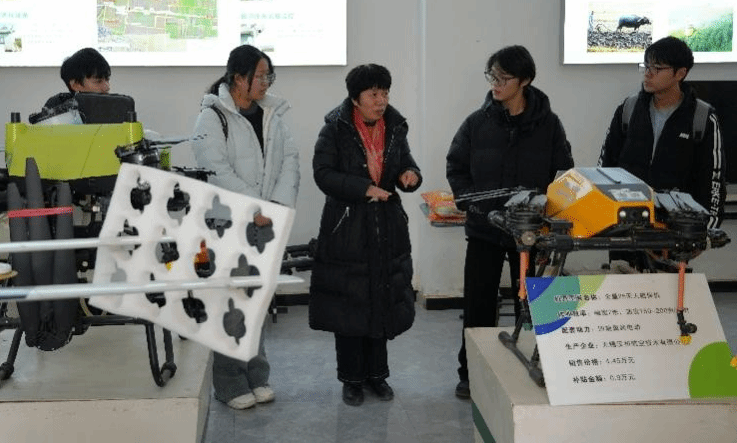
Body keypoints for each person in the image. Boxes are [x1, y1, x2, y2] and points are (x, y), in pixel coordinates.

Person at [446, 45, 573, 400]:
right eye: (492, 76)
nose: (495, 84)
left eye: (503, 78)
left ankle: (540, 367)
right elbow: (456, 166)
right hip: (485, 229)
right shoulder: (477, 123)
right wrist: (473, 204)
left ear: (525, 80)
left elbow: (563, 175)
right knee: (478, 305)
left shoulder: (549, 125)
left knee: (534, 304)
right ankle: (471, 374)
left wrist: (547, 214)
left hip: (532, 234)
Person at [191, 44, 300, 410]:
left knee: (257, 301)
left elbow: (290, 161)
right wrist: (256, 207)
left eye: (269, 75)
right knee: (231, 301)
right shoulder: (212, 117)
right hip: (229, 223)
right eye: (260, 76)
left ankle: (257, 374)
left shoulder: (273, 114)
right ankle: (228, 382)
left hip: (265, 223)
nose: (266, 82)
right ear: (238, 78)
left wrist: (276, 207)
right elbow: (216, 170)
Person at [308, 63, 422, 407]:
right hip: (347, 228)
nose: (381, 100)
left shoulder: (395, 127)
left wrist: (409, 175)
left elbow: (406, 161)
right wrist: (364, 189)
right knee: (349, 304)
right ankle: (351, 379)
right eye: (373, 94)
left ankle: (377, 376)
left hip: (386, 226)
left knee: (381, 300)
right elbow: (323, 173)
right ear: (355, 98)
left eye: (385, 93)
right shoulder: (335, 128)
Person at [599, 36, 726, 269]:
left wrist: (705, 233)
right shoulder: (628, 109)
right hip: (624, 227)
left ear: (680, 73)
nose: (648, 74)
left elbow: (713, 180)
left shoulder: (702, 118)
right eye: (646, 66)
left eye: (657, 68)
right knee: (622, 286)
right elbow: (605, 167)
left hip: (673, 232)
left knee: (668, 291)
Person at [43, 47, 111, 109]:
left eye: (107, 80)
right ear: (76, 85)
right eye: (98, 81)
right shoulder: (56, 109)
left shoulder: (113, 107)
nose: (107, 87)